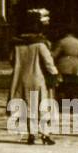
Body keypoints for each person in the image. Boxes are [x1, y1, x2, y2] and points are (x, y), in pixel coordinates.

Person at [10, 13, 58, 145]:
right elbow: (49, 63)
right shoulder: (40, 45)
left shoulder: (17, 45)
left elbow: (12, 61)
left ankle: (31, 134)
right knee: (42, 106)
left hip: (22, 79)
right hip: (38, 79)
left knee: (29, 107)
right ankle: (45, 134)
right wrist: (55, 75)